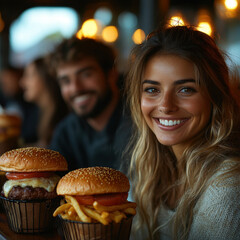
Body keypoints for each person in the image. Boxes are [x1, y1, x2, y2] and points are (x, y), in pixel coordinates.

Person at [125, 25, 240, 240]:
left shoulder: (228, 186)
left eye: (185, 89)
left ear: (214, 97)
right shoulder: (148, 169)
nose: (166, 105)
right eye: (152, 90)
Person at [49, 37, 132, 171]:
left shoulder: (141, 123)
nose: (76, 88)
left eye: (86, 75)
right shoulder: (66, 132)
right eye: (66, 81)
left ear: (111, 75)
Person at [20, 57, 69, 148]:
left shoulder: (64, 119)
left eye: (28, 76)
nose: (22, 82)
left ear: (45, 77)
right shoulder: (38, 113)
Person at [0, 65, 39, 144]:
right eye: (3, 82)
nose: (5, 85)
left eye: (9, 80)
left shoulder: (31, 105)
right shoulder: (5, 99)